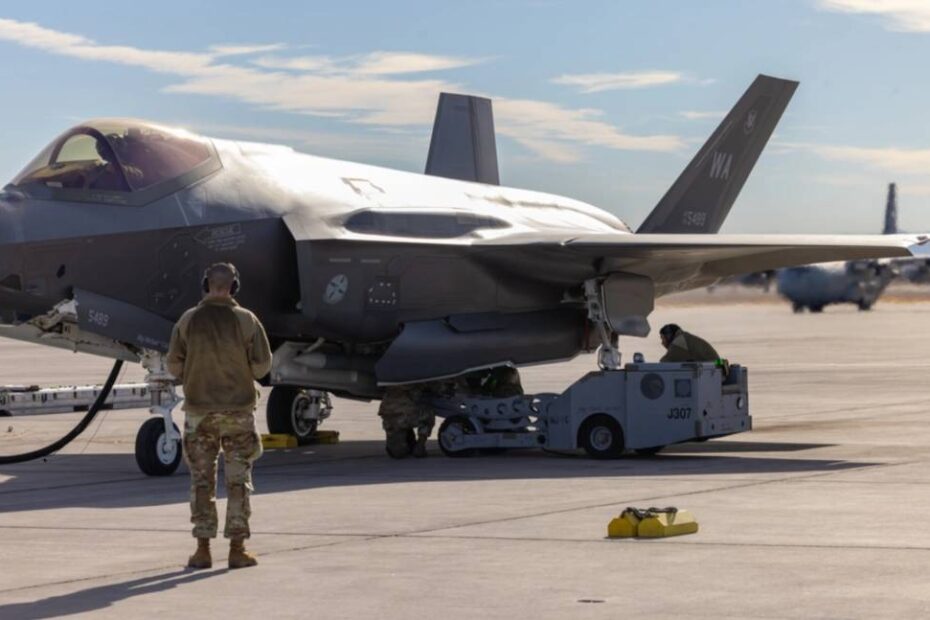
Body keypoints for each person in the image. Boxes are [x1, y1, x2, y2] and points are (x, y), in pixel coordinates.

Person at [167, 262, 272, 570]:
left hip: (199, 413)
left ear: (206, 285)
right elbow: (262, 366)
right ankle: (237, 549)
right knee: (238, 480)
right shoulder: (246, 320)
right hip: (238, 412)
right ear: (234, 287)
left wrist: (196, 372)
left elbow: (174, 365)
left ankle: (202, 550)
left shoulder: (187, 320)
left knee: (202, 480)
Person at [378, 384, 437, 459]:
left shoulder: (389, 380)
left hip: (390, 416)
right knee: (428, 414)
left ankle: (405, 441)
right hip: (405, 415)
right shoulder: (410, 380)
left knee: (397, 452)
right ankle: (420, 445)